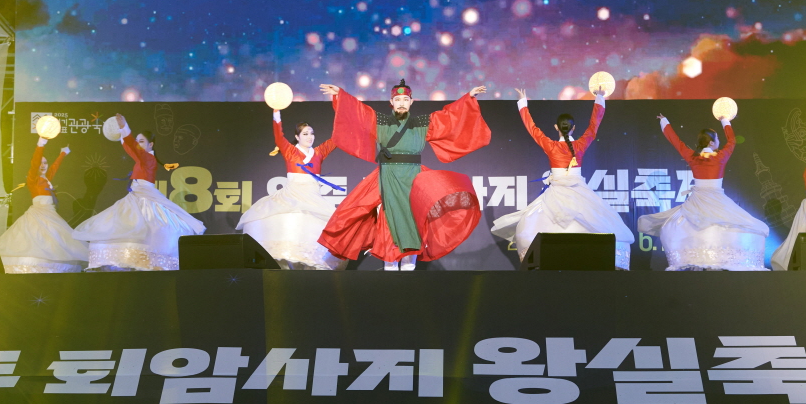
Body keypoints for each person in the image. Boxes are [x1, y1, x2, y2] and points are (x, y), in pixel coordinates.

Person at [318, 79, 490, 271]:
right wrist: (340, 95)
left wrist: (468, 98)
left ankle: (409, 268)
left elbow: (449, 117)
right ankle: (390, 266)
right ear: (391, 102)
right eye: (397, 99)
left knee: (413, 217)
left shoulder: (422, 123)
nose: (401, 103)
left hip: (413, 176)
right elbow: (359, 112)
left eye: (405, 99)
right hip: (388, 175)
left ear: (411, 102)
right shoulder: (380, 121)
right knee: (387, 217)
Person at [491, 87, 634, 269]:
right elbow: (593, 126)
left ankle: (545, 258)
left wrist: (522, 103)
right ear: (573, 128)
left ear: (556, 128)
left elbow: (532, 128)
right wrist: (599, 98)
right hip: (579, 190)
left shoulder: (551, 145)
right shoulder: (581, 144)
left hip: (557, 191)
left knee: (534, 224)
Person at [638, 113, 769, 271]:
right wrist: (725, 121)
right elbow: (732, 141)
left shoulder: (693, 157)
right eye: (717, 139)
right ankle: (715, 261)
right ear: (712, 142)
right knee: (723, 226)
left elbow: (676, 141)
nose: (719, 141)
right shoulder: (720, 156)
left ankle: (700, 260)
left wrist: (664, 122)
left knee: (693, 226)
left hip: (698, 199)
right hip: (716, 198)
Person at [73, 114, 204, 271]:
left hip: (144, 196)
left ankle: (148, 262)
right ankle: (130, 261)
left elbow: (133, 148)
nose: (138, 144)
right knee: (120, 224)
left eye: (141, 141)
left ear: (150, 145)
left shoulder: (148, 158)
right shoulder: (143, 158)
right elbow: (131, 148)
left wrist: (124, 128)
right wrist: (121, 135)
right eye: (138, 141)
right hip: (136, 195)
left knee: (150, 226)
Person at [236, 110, 346, 270]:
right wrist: (276, 115)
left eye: (312, 133)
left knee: (319, 226)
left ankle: (312, 263)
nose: (310, 137)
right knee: (288, 222)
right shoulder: (290, 151)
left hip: (313, 197)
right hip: (292, 195)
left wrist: (343, 114)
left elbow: (336, 139)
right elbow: (279, 137)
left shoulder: (319, 152)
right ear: (297, 137)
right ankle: (286, 264)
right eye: (305, 134)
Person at [0, 136, 89, 273]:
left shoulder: (46, 179)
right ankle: (35, 265)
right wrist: (41, 144)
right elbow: (35, 162)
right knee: (37, 238)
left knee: (53, 239)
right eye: (40, 163)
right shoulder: (33, 179)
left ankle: (50, 266)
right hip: (39, 212)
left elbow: (54, 167)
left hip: (50, 213)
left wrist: (63, 153)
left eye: (45, 162)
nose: (43, 165)